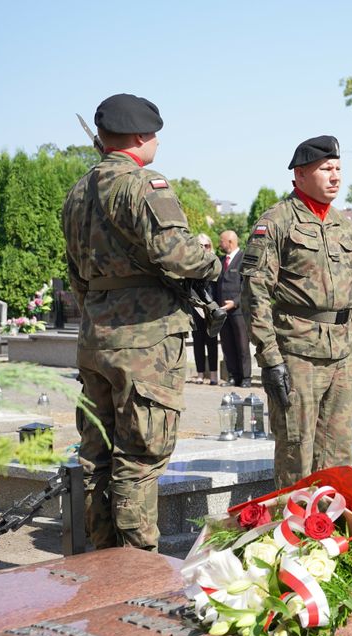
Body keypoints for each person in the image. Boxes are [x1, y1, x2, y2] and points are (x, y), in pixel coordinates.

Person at [61, 93, 221, 551]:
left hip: (96, 336)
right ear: (139, 137)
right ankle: (136, 572)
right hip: (145, 342)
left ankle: (102, 562)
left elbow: (77, 273)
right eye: (154, 136)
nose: (156, 144)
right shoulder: (142, 184)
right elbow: (177, 253)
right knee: (139, 457)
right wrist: (208, 256)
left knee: (96, 458)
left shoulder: (77, 192)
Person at [241, 135, 352, 488]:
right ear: (299, 175)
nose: (335, 176)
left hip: (341, 353)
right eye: (326, 168)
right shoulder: (277, 221)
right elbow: (255, 293)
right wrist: (270, 359)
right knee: (298, 451)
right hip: (297, 354)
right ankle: (295, 535)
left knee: (338, 454)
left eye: (339, 168)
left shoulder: (344, 223)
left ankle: (331, 532)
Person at [216, 230, 250, 387]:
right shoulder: (221, 260)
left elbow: (247, 286)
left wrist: (235, 302)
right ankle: (233, 376)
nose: (219, 244)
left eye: (221, 241)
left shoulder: (243, 259)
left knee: (242, 344)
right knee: (227, 344)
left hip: (238, 311)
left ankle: (246, 378)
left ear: (230, 242)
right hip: (223, 311)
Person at [190, 233, 220, 386]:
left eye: (206, 245)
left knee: (212, 341)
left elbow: (219, 287)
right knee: (198, 342)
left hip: (213, 307)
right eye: (200, 246)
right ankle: (200, 374)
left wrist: (216, 307)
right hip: (196, 308)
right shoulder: (193, 264)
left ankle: (214, 375)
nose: (204, 248)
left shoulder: (215, 262)